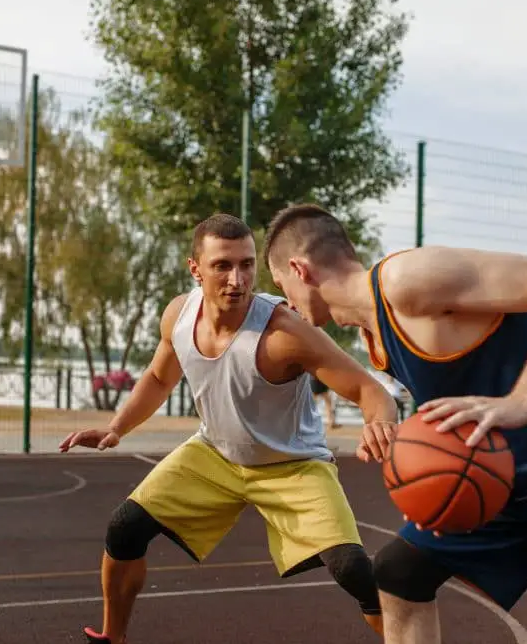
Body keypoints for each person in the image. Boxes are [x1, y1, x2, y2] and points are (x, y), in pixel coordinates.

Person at [262, 204, 527, 644]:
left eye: (281, 286)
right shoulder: (375, 335)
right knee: (400, 575)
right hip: (519, 474)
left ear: (299, 269)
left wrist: (521, 402)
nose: (286, 303)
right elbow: (459, 407)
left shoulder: (405, 280)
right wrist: (424, 487)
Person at [60, 214, 401, 644]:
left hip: (293, 466)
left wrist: (381, 424)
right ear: (195, 268)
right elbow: (159, 378)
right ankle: (113, 638)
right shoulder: (179, 317)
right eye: (222, 265)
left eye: (246, 264)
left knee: (353, 569)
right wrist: (116, 428)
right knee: (125, 527)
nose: (237, 279)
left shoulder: (285, 333)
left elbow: (372, 392)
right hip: (216, 453)